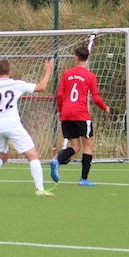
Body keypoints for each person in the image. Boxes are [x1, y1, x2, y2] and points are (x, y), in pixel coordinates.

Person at [0, 58, 55, 197]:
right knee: (33, 155)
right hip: (12, 125)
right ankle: (40, 189)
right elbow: (41, 87)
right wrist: (48, 71)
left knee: (2, 155)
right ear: (10, 71)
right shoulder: (16, 84)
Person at [49, 45, 110, 186]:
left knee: (75, 146)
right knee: (88, 146)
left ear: (76, 57)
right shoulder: (90, 76)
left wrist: (60, 111)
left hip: (67, 114)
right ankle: (83, 179)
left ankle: (57, 160)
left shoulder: (67, 74)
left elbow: (60, 95)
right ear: (87, 58)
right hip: (81, 115)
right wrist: (105, 107)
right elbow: (96, 98)